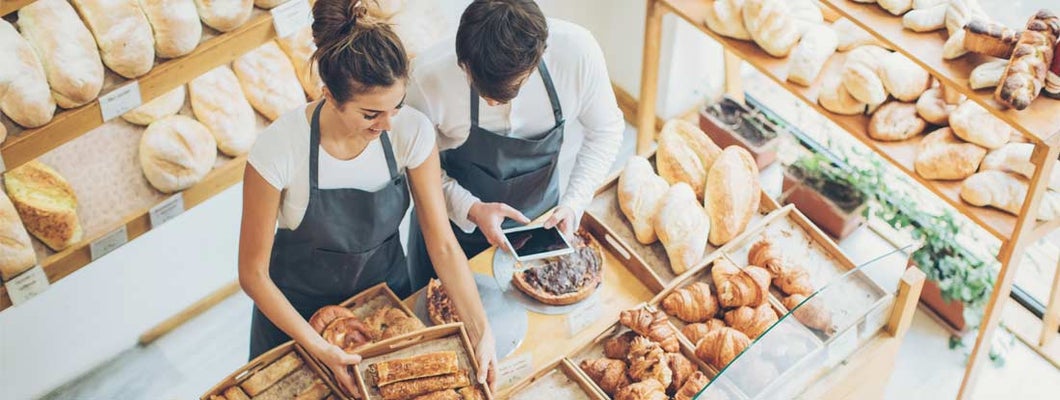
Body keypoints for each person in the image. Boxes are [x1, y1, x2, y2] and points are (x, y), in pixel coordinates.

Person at [237, 0, 496, 394]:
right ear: (328, 95)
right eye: (371, 114)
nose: (388, 123)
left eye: (397, 106)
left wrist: (480, 330)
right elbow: (253, 275)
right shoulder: (278, 150)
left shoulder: (410, 131)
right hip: (296, 320)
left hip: (383, 310)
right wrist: (320, 348)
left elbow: (442, 243)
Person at [405, 0, 625, 286]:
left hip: (540, 228)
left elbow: (606, 131)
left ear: (539, 56)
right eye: (481, 89)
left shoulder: (577, 53)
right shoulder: (427, 78)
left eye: (509, 91)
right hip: (452, 234)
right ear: (463, 61)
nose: (493, 102)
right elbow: (414, 170)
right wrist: (471, 208)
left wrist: (574, 203)